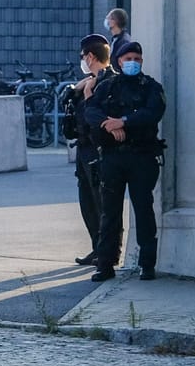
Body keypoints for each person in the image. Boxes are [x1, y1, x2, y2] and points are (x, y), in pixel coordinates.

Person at [83, 40, 166, 282]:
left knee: (143, 210)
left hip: (142, 156)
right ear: (119, 61)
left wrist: (125, 122)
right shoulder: (107, 86)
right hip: (112, 157)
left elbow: (153, 112)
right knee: (109, 213)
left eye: (136, 59)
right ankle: (105, 264)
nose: (132, 63)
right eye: (128, 58)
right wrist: (108, 125)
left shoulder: (151, 87)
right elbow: (91, 111)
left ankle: (147, 265)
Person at [62, 34, 112, 266]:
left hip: (98, 150)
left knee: (101, 203)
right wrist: (75, 91)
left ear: (90, 56)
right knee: (87, 202)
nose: (82, 59)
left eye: (83, 56)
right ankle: (97, 248)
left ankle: (106, 252)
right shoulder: (88, 82)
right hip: (83, 148)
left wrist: (88, 94)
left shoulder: (108, 82)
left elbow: (97, 117)